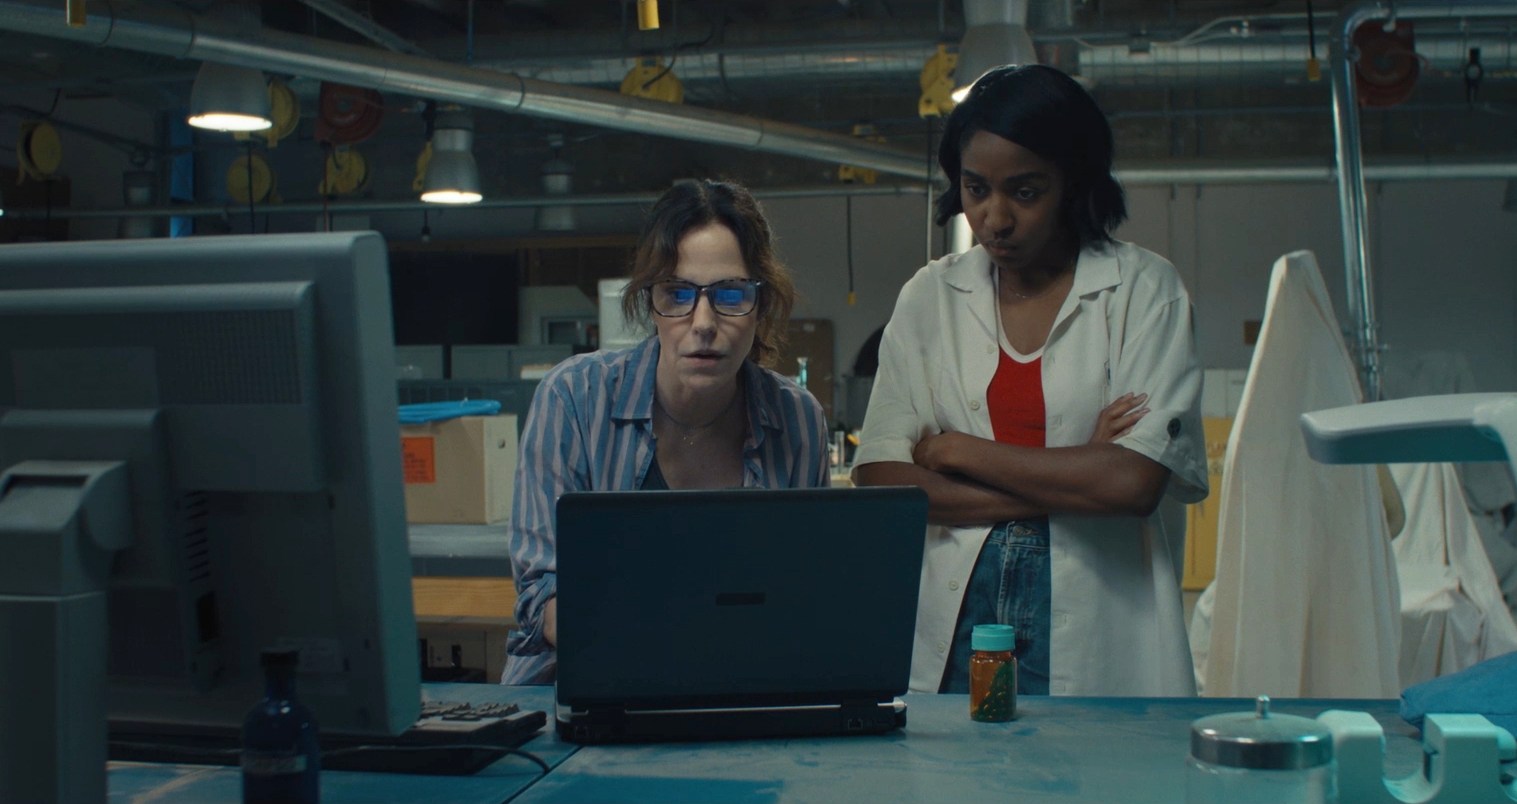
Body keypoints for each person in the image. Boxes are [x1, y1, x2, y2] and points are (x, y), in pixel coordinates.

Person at [851, 64, 1208, 697]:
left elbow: (1132, 484)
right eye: (976, 188)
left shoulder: (1144, 292)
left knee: (1091, 789)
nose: (994, 218)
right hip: (960, 619)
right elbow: (884, 484)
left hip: (1099, 622)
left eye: (1025, 190)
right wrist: (1077, 475)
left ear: (1073, 183)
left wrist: (959, 453)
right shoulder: (929, 297)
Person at [502, 178, 831, 684]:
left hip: (737, 690)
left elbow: (804, 595)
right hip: (583, 689)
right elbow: (545, 592)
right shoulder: (574, 398)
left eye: (730, 294)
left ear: (761, 304)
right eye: (677, 294)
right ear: (650, 302)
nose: (702, 322)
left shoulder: (797, 420)